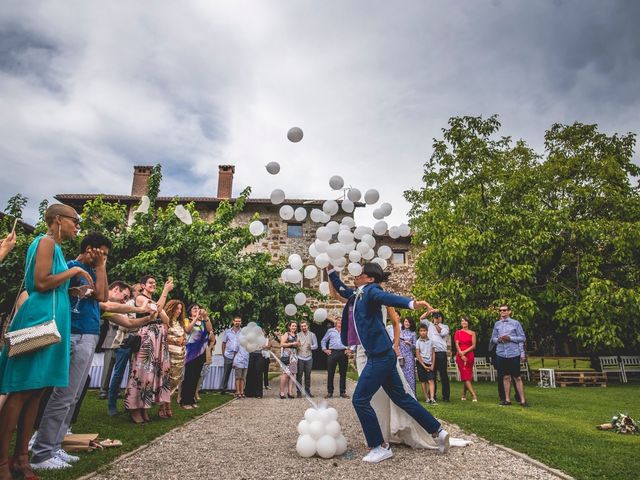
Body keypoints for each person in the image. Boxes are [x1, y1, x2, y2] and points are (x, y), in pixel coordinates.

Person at [0, 204, 91, 478]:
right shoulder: (46, 242)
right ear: (59, 220)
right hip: (38, 320)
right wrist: (74, 273)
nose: (78, 226)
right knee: (21, 391)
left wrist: (71, 288)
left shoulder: (57, 248)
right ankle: (3, 461)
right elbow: (40, 282)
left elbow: (52, 282)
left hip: (54, 322)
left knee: (38, 391)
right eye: (75, 221)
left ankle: (22, 459)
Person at [333, 262, 449, 463]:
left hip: (379, 356)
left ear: (369, 278)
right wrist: (329, 270)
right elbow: (341, 287)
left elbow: (387, 297)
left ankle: (379, 446)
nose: (355, 275)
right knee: (402, 398)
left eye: (360, 273)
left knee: (359, 399)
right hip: (384, 355)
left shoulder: (372, 291)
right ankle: (437, 431)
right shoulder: (358, 293)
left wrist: (412, 304)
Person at [30, 231, 113, 470]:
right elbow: (56, 292)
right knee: (63, 395)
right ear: (90, 249)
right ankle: (41, 451)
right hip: (74, 333)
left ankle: (54, 446)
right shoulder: (70, 267)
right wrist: (96, 270)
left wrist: (100, 268)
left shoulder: (96, 270)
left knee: (73, 396)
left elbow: (102, 295)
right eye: (102, 254)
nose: (104, 259)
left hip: (89, 333)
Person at [124, 275, 173, 423]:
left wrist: (160, 311)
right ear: (143, 285)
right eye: (150, 282)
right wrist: (165, 291)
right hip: (146, 338)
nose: (153, 285)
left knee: (153, 373)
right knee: (141, 372)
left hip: (158, 339)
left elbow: (166, 319)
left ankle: (145, 407)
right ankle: (134, 408)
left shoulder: (154, 300)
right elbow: (156, 311)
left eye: (155, 283)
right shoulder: (140, 298)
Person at [106, 283, 143, 416]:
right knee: (118, 374)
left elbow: (132, 324)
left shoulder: (132, 307)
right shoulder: (117, 305)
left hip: (135, 342)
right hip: (122, 343)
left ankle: (129, 404)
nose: (140, 292)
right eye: (139, 290)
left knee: (133, 375)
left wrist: (130, 323)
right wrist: (130, 323)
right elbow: (116, 323)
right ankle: (112, 405)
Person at [491, 305, 528, 407]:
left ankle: (523, 400)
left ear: (509, 312)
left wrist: (510, 338)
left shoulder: (515, 323)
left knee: (517, 377)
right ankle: (507, 400)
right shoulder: (497, 324)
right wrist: (498, 339)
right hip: (501, 353)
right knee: (505, 376)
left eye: (504, 310)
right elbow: (493, 338)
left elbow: (522, 338)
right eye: (500, 310)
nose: (502, 312)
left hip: (513, 353)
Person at [180, 305, 212, 410]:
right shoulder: (186, 320)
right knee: (189, 376)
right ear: (190, 311)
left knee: (196, 377)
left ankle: (192, 399)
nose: (197, 310)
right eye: (194, 309)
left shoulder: (203, 321)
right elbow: (188, 330)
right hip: (191, 352)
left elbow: (210, 330)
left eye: (198, 309)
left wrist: (206, 317)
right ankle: (184, 401)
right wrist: (195, 318)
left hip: (201, 352)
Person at [419, 310, 450, 402]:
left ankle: (446, 397)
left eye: (439, 316)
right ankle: (433, 395)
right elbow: (421, 318)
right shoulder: (429, 325)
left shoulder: (445, 327)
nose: (437, 318)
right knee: (432, 375)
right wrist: (430, 311)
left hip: (441, 353)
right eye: (436, 316)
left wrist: (436, 324)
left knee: (443, 375)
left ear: (441, 318)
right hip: (430, 353)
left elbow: (443, 333)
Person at [163, 299, 187, 417]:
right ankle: (165, 405)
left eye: (180, 309)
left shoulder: (180, 323)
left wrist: (183, 340)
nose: (179, 311)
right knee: (168, 379)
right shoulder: (166, 321)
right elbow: (163, 336)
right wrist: (174, 340)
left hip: (180, 354)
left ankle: (167, 403)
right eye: (177, 308)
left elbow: (184, 336)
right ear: (171, 309)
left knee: (176, 380)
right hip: (169, 354)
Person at [321, 320, 349, 399]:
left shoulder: (346, 330)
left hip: (343, 352)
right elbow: (323, 341)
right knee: (330, 372)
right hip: (332, 352)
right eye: (339, 322)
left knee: (343, 373)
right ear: (335, 323)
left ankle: (342, 392)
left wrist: (350, 349)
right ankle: (330, 392)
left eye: (341, 322)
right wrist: (325, 349)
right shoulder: (330, 331)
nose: (340, 323)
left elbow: (351, 340)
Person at [454, 316, 478, 402]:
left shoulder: (472, 333)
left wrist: (465, 352)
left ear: (468, 323)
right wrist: (461, 353)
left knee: (467, 375)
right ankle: (473, 395)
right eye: (462, 321)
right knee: (465, 375)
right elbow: (457, 344)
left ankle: (464, 394)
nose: (463, 322)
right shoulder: (458, 332)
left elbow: (474, 345)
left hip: (469, 355)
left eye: (465, 321)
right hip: (460, 356)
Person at [219, 317, 242, 394]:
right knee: (226, 373)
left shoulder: (243, 332)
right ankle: (223, 389)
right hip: (228, 355)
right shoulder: (228, 332)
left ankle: (238, 390)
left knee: (239, 374)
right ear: (233, 322)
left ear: (241, 322)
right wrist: (223, 354)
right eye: (236, 321)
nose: (237, 322)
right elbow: (224, 343)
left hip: (239, 356)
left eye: (239, 321)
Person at [415, 324, 437, 404]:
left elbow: (433, 353)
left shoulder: (431, 341)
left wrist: (432, 365)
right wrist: (424, 366)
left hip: (430, 363)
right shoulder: (418, 342)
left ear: (427, 331)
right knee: (423, 381)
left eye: (424, 330)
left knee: (431, 380)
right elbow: (418, 354)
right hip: (421, 363)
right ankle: (426, 398)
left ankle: (432, 398)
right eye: (421, 331)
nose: (423, 332)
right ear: (419, 332)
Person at [296, 320, 318, 398]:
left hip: (309, 358)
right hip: (300, 357)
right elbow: (295, 346)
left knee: (308, 376)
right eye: (302, 326)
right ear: (300, 327)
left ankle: (307, 392)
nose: (303, 327)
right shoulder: (297, 335)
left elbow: (316, 345)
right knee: (299, 376)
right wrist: (296, 345)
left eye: (304, 326)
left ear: (307, 326)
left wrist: (311, 347)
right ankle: (299, 392)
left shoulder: (312, 335)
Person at [279, 321, 299, 399]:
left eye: (295, 326)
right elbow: (282, 344)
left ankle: (290, 392)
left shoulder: (297, 335)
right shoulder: (286, 334)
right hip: (286, 356)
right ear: (289, 327)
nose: (294, 327)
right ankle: (282, 392)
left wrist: (298, 344)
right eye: (293, 326)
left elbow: (297, 345)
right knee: (286, 374)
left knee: (292, 374)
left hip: (294, 356)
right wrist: (292, 344)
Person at [399, 318, 417, 395]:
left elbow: (416, 346)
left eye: (408, 322)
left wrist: (410, 344)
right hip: (401, 355)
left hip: (409, 356)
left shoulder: (413, 333)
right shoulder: (400, 332)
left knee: (410, 375)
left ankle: (412, 393)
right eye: (406, 321)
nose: (407, 323)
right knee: (401, 374)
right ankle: (402, 393)